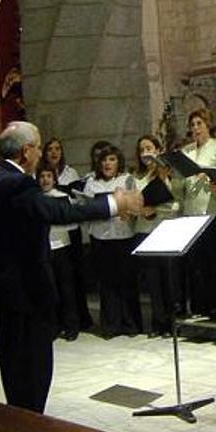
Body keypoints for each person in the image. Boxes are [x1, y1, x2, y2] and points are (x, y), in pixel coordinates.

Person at [0, 121, 142, 413]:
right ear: (26, 151)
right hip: (26, 295)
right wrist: (113, 204)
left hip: (3, 293)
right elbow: (57, 211)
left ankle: (22, 426)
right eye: (38, 147)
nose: (40, 154)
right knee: (32, 373)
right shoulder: (17, 183)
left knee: (15, 372)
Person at [85, 144, 142, 338]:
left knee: (127, 282)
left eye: (112, 159)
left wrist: (130, 212)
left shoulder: (127, 180)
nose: (107, 163)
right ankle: (111, 325)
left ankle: (130, 323)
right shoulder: (92, 183)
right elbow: (85, 208)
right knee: (107, 284)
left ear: (119, 162)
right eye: (104, 160)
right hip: (102, 237)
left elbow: (137, 205)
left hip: (124, 236)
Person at [180, 109, 216, 317]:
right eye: (193, 125)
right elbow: (179, 183)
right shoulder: (186, 151)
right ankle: (200, 305)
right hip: (191, 212)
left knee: (214, 261)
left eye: (200, 123)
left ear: (208, 125)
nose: (196, 128)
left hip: (213, 210)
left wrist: (209, 176)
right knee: (196, 262)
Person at [132, 135, 182, 338]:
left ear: (158, 150)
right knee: (153, 281)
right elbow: (132, 204)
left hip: (166, 229)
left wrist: (162, 180)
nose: (146, 153)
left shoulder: (169, 173)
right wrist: (141, 210)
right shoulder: (135, 177)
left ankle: (172, 322)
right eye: (142, 150)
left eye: (149, 148)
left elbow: (177, 201)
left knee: (169, 279)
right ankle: (157, 322)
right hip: (145, 231)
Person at [42, 138, 92, 331]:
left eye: (57, 149)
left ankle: (79, 319)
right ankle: (59, 321)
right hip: (52, 236)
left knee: (73, 277)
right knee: (56, 280)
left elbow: (77, 198)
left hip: (71, 232)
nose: (54, 153)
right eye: (50, 149)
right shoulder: (40, 176)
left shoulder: (70, 172)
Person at [36, 162, 81, 342]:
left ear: (54, 179)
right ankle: (52, 326)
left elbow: (71, 222)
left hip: (61, 246)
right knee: (49, 290)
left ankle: (71, 326)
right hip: (44, 249)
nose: (45, 180)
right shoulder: (36, 198)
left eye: (48, 176)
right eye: (42, 176)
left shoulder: (62, 197)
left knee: (66, 289)